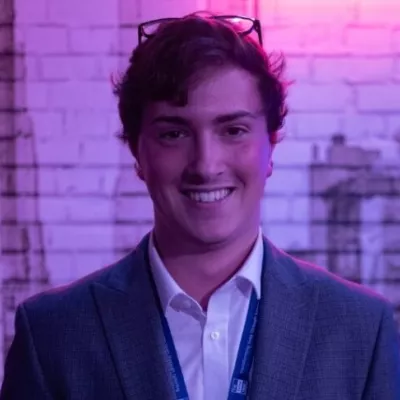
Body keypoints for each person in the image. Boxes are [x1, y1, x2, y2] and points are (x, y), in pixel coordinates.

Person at [1, 12, 399, 400]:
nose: (206, 165)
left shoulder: (362, 330)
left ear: (271, 146)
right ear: (138, 153)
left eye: (233, 131)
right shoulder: (54, 335)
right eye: (174, 133)